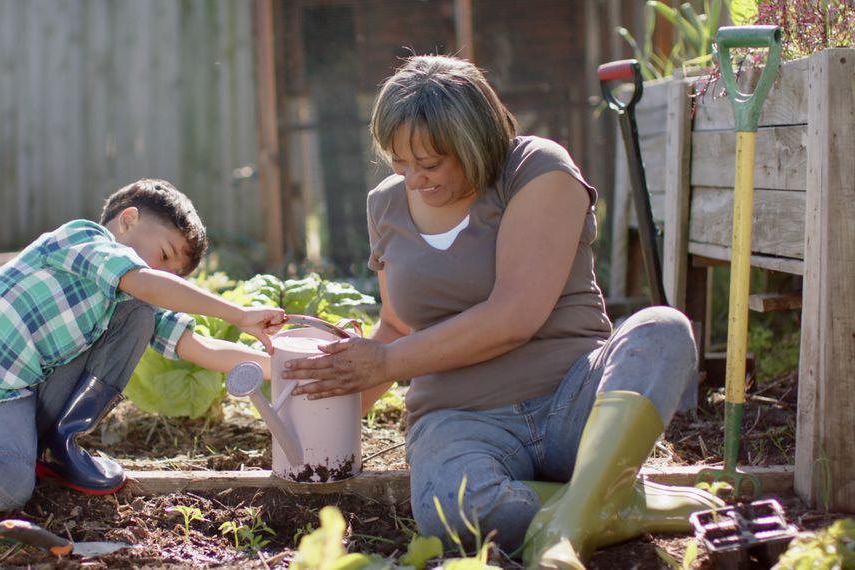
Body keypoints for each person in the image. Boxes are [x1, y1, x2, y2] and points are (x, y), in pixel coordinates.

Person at [282, 55, 721, 568]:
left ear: (476, 143)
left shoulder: (536, 168)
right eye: (400, 163)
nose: (413, 180)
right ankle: (614, 504)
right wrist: (316, 412)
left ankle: (566, 525)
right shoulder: (386, 204)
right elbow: (398, 326)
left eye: (430, 164)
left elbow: (515, 315)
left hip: (574, 400)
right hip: (459, 419)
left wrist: (385, 362)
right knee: (450, 510)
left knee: (662, 329)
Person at [0, 179, 286, 536]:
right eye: (165, 256)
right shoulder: (80, 239)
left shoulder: (132, 296)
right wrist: (238, 313)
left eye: (172, 274)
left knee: (140, 314)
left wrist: (284, 362)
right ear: (128, 220)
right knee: (8, 488)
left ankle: (59, 444)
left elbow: (201, 347)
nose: (163, 275)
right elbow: (146, 282)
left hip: (30, 393)